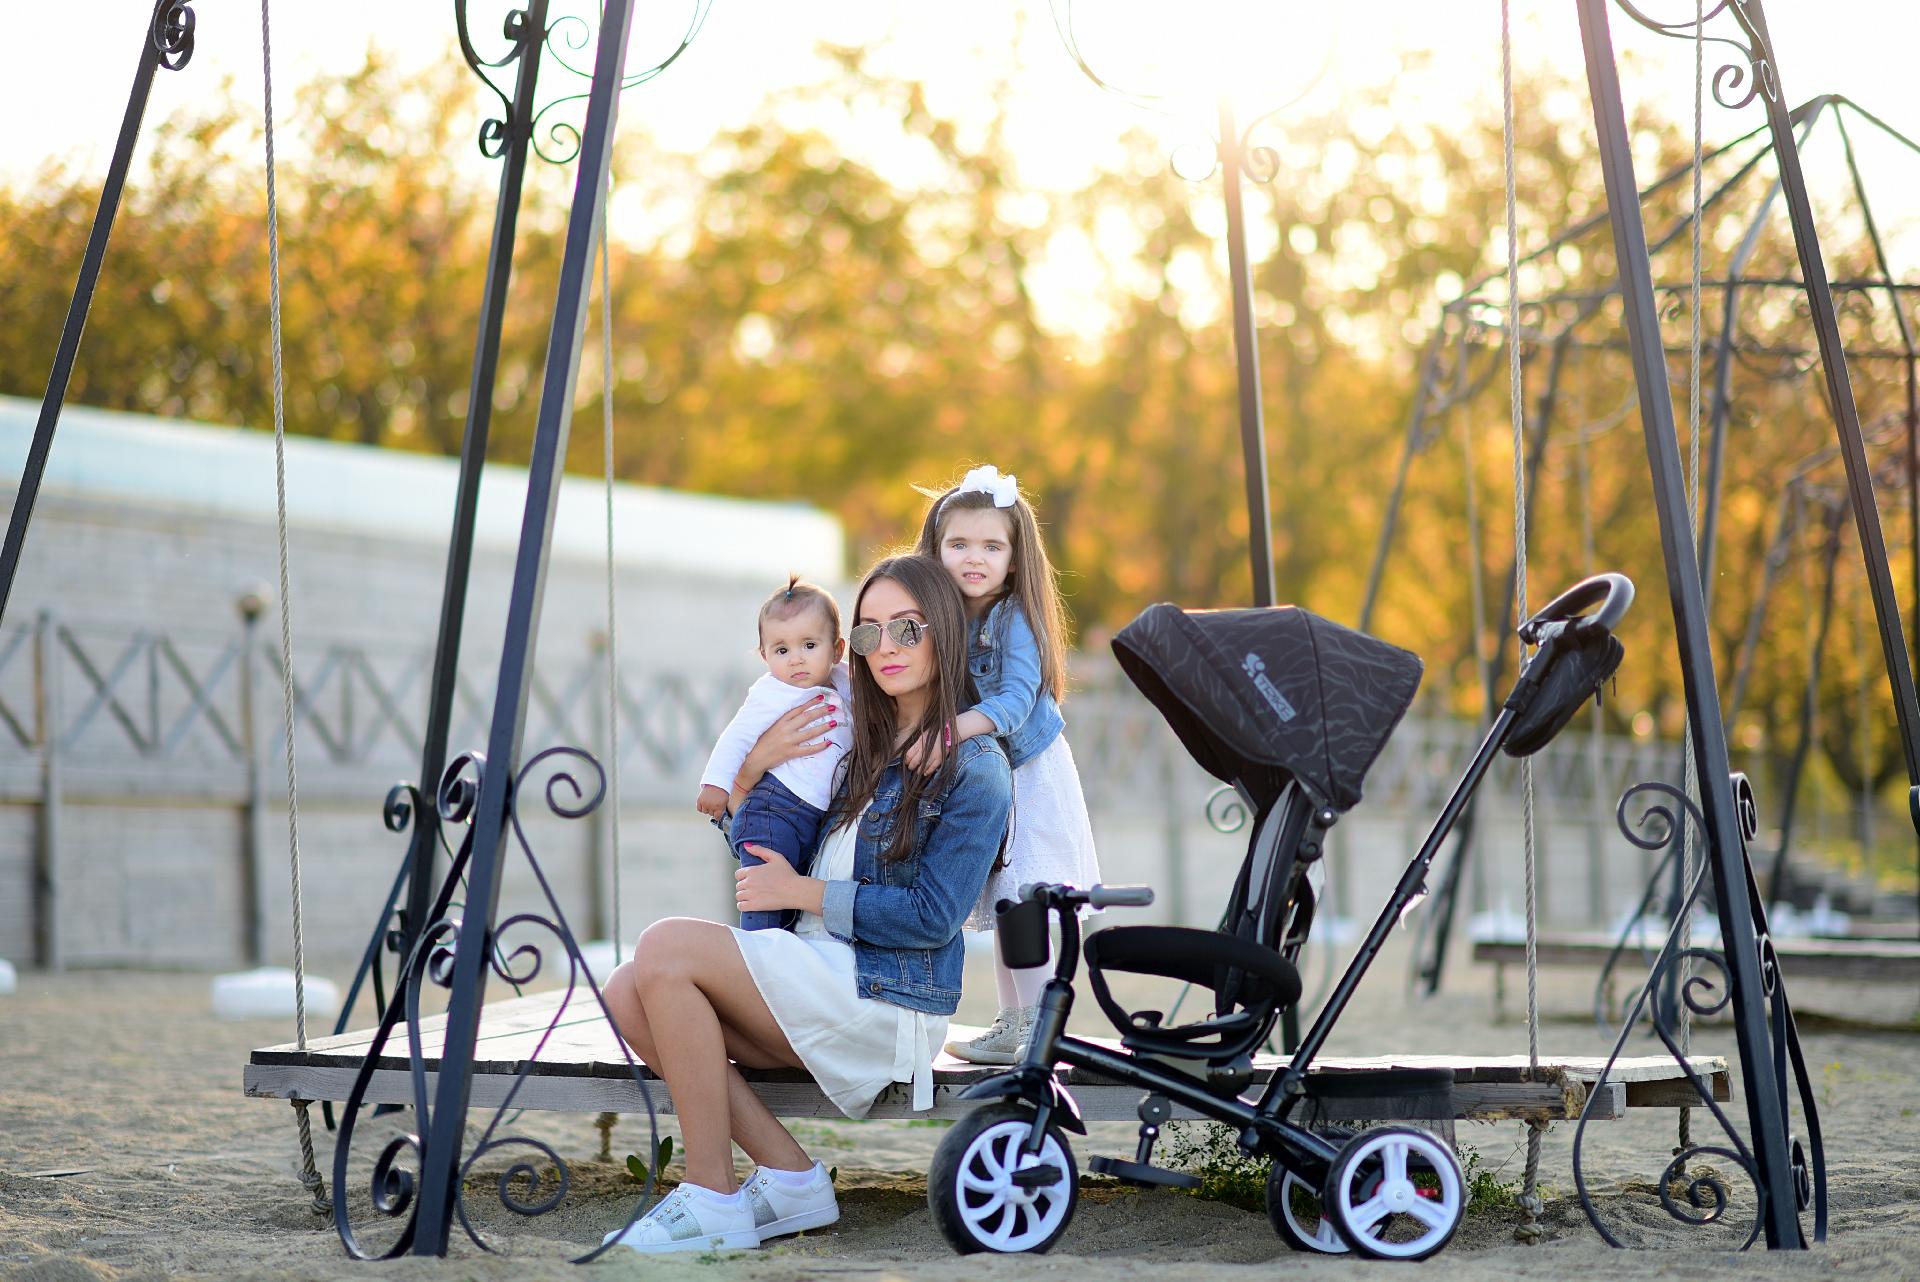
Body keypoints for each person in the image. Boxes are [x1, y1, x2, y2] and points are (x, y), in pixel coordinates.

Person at [600, 555, 1012, 1254]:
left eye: (907, 629)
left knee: (664, 945)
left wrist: (801, 893)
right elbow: (767, 852)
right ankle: (791, 1179)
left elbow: (931, 917)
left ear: (943, 633)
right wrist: (753, 771)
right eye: (870, 631)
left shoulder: (975, 767)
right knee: (625, 992)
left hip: (886, 997)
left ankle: (710, 1195)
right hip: (816, 971)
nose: (886, 648)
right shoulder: (857, 741)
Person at [912, 463, 1101, 1065]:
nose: (975, 558)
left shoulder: (1013, 618)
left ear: (1015, 559)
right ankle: (1013, 1022)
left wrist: (947, 733)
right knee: (1003, 904)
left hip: (1031, 775)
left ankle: (1040, 1027)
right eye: (959, 544)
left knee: (1025, 902)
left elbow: (1017, 701)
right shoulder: (942, 619)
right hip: (988, 775)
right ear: (935, 549)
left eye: (991, 546)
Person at [696, 575, 852, 931]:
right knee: (765, 901)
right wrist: (716, 785)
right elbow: (735, 737)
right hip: (772, 810)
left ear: (837, 649)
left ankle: (771, 956)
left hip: (809, 818)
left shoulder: (842, 683)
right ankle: (754, 954)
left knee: (788, 904)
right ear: (765, 656)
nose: (796, 660)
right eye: (782, 650)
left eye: (809, 646)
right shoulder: (772, 693)